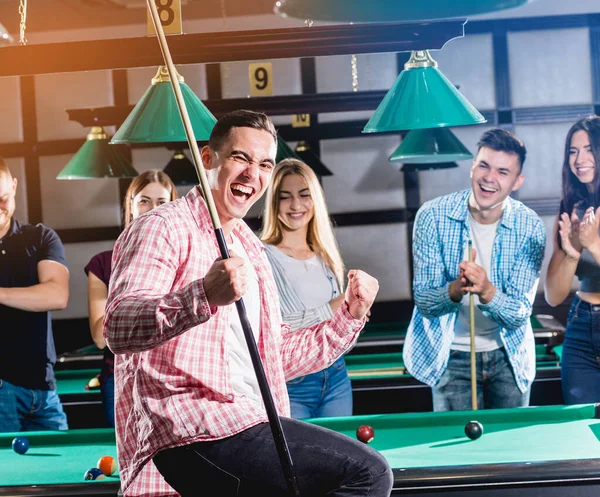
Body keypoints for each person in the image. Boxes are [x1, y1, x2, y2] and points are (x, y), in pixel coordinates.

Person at [104, 110, 392, 497]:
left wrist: (348, 317)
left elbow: (274, 355)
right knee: (368, 472)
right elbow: (117, 327)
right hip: (196, 427)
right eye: (240, 158)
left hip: (247, 419)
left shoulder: (249, 246)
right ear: (208, 159)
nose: (252, 174)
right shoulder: (163, 226)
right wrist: (202, 295)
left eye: (264, 164)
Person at [403, 128, 546, 411]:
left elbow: (519, 314)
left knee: (510, 453)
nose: (489, 178)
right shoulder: (432, 216)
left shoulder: (530, 227)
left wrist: (488, 291)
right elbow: (425, 303)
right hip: (450, 356)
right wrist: (455, 290)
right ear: (472, 167)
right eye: (484, 165)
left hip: (509, 357)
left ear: (517, 181)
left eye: (503, 172)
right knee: (456, 453)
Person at [84, 170, 178, 427]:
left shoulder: (184, 260)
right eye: (144, 201)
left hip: (172, 377)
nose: (152, 210)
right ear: (132, 206)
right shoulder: (103, 263)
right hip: (119, 378)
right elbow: (100, 338)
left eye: (162, 202)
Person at [261, 158, 352, 419]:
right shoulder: (262, 256)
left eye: (304, 195)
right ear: (274, 203)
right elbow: (276, 330)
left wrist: (354, 317)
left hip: (336, 378)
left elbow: (338, 334)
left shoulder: (325, 255)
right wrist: (334, 310)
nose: (296, 205)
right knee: (297, 460)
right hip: (292, 384)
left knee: (340, 460)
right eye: (285, 197)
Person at [0, 157, 70, 432]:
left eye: (2, 197)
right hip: (2, 389)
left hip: (44, 387)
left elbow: (57, 295)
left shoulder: (41, 238)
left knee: (63, 471)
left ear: (14, 186)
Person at [544, 116, 600, 404]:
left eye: (589, 149)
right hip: (580, 328)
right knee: (581, 430)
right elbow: (554, 295)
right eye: (573, 151)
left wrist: (594, 244)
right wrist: (571, 252)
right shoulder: (571, 208)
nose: (580, 159)